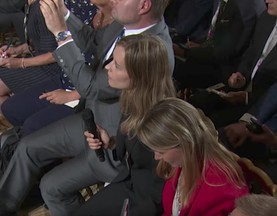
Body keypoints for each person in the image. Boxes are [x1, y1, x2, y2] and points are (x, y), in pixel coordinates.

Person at [0, 0, 174, 215]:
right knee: (27, 147)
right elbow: (92, 41)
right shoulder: (127, 22)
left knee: (51, 186)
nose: (114, 0)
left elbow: (91, 86)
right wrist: (64, 15)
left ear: (144, 5)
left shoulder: (153, 49)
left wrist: (62, 34)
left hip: (114, 144)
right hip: (92, 119)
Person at [70, 34, 175, 216]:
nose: (107, 67)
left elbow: (161, 193)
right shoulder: (132, 99)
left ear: (140, 76)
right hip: (130, 183)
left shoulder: (163, 125)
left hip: (146, 202)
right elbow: (135, 150)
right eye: (111, 61)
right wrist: (110, 142)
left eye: (117, 66)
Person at [0, 0, 111, 136]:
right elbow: (64, 41)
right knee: (10, 109)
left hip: (83, 90)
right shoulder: (79, 5)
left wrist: (73, 94)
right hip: (67, 76)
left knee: (32, 127)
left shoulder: (122, 24)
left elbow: (109, 82)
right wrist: (19, 50)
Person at [136, 98, 249, 216]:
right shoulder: (183, 164)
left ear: (185, 144)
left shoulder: (222, 189)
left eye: (161, 151)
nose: (156, 157)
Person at [190, 0, 277, 128]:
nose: (267, 0)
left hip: (261, 104)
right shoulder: (266, 18)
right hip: (241, 89)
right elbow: (250, 54)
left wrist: (247, 97)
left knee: (214, 122)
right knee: (195, 102)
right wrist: (241, 76)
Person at [173, 0, 265, 89]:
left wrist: (184, 52)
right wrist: (203, 46)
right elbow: (218, 35)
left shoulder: (246, 6)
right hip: (212, 53)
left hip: (227, 70)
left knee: (172, 64)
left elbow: (226, 52)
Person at [0, 0, 65, 107]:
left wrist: (21, 62)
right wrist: (17, 50)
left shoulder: (44, 7)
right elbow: (41, 40)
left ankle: (22, 113)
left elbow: (56, 54)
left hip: (54, 71)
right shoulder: (31, 5)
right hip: (41, 63)